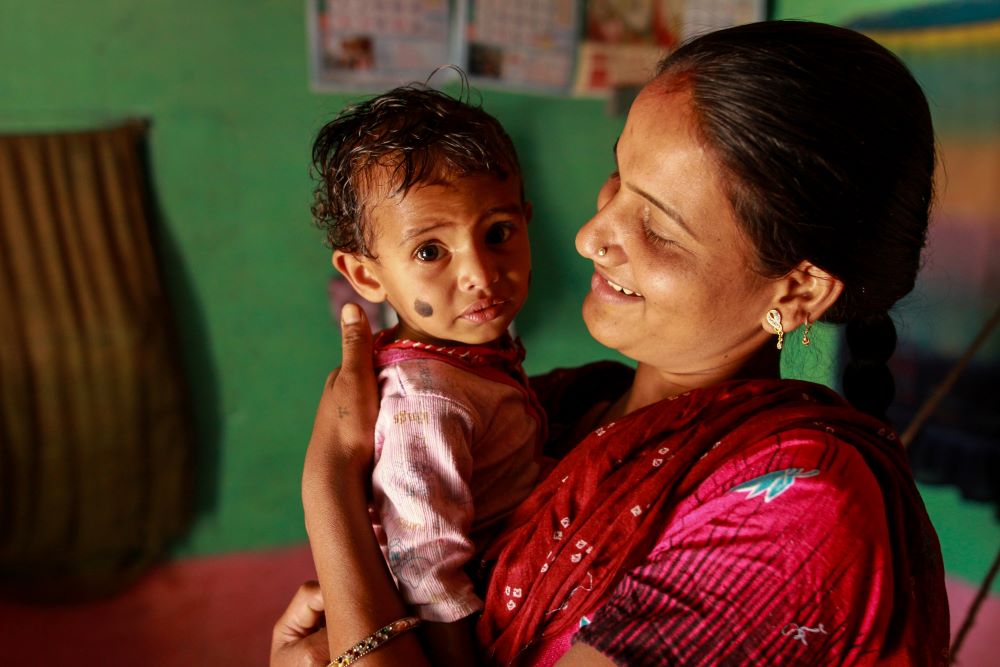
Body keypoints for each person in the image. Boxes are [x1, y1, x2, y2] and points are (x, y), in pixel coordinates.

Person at [282, 20, 950, 667]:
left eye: (657, 225)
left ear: (798, 291)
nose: (591, 234)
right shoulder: (564, 409)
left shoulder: (797, 508)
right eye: (618, 178)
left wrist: (329, 487)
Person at [308, 84, 545, 664]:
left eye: (497, 233)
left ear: (525, 220)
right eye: (430, 252)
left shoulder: (473, 357)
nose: (480, 274)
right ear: (366, 276)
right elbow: (423, 564)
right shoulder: (428, 398)